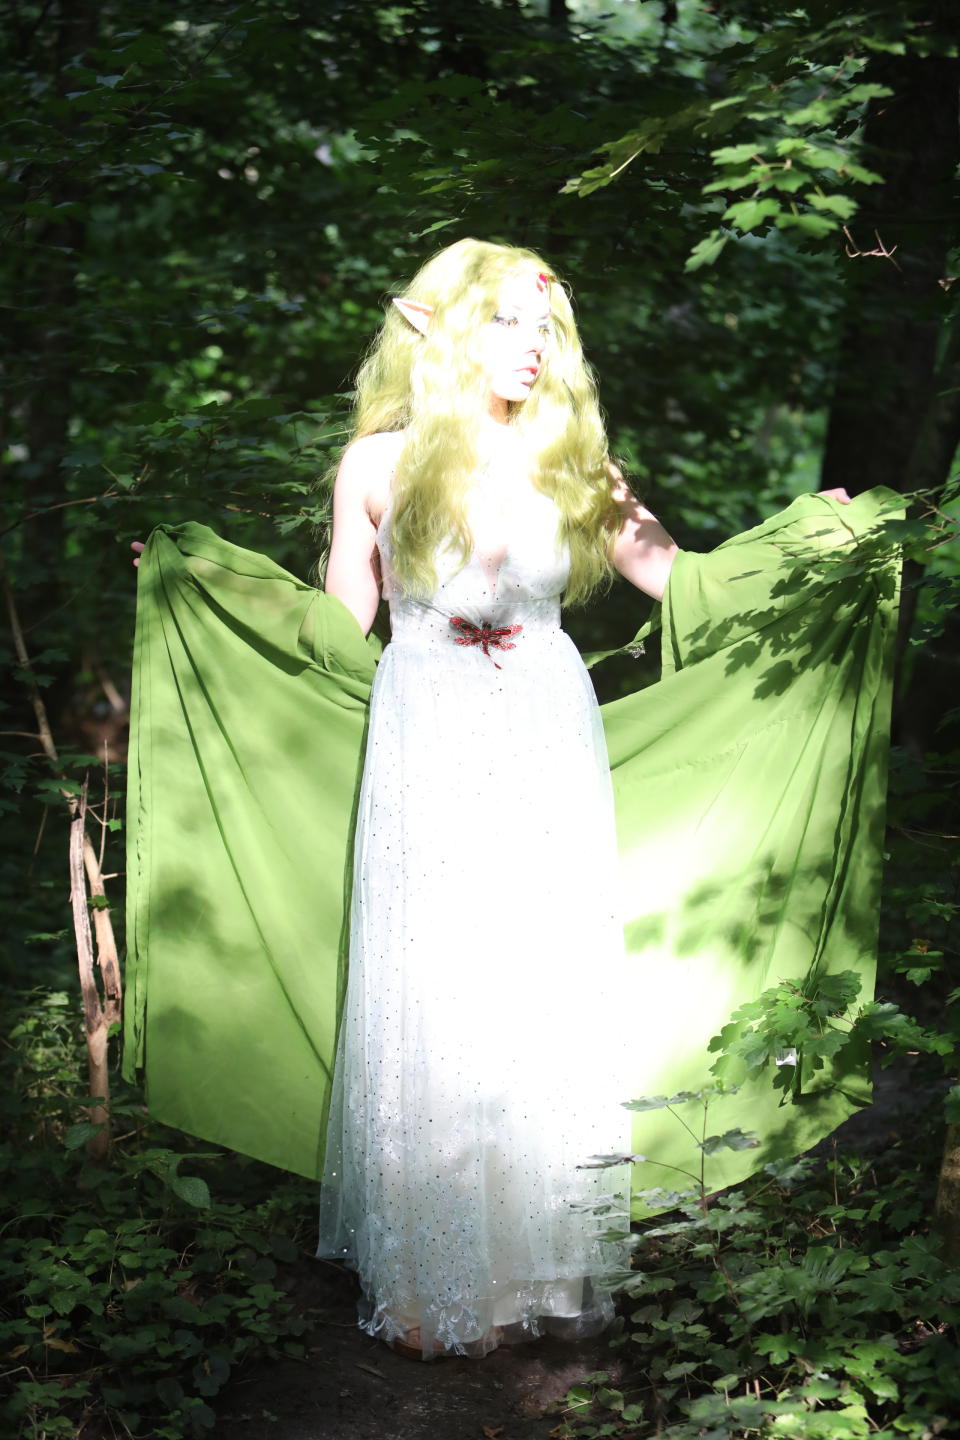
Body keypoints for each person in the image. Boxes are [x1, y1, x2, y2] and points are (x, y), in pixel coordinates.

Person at [128, 239, 890, 1370]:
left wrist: (811, 545)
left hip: (542, 720)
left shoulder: (573, 461)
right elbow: (337, 624)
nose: (532, 348)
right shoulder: (376, 464)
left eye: (546, 329)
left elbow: (681, 578)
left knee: (535, 968)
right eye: (507, 323)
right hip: (425, 722)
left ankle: (531, 1265)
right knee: (434, 970)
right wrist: (204, 594)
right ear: (444, 330)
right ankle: (429, 1276)